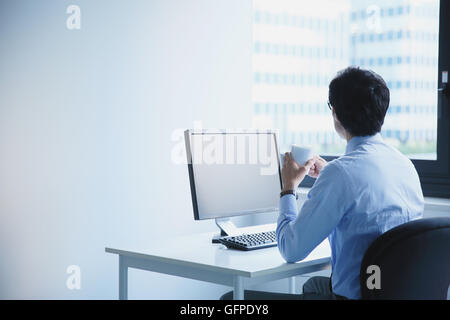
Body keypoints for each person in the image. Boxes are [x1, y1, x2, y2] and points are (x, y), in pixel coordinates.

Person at [221, 67, 424, 300]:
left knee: (230, 300)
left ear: (335, 113)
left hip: (357, 296)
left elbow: (291, 249)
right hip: (391, 292)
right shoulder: (405, 165)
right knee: (313, 286)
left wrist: (288, 188)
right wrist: (329, 175)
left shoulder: (341, 174)